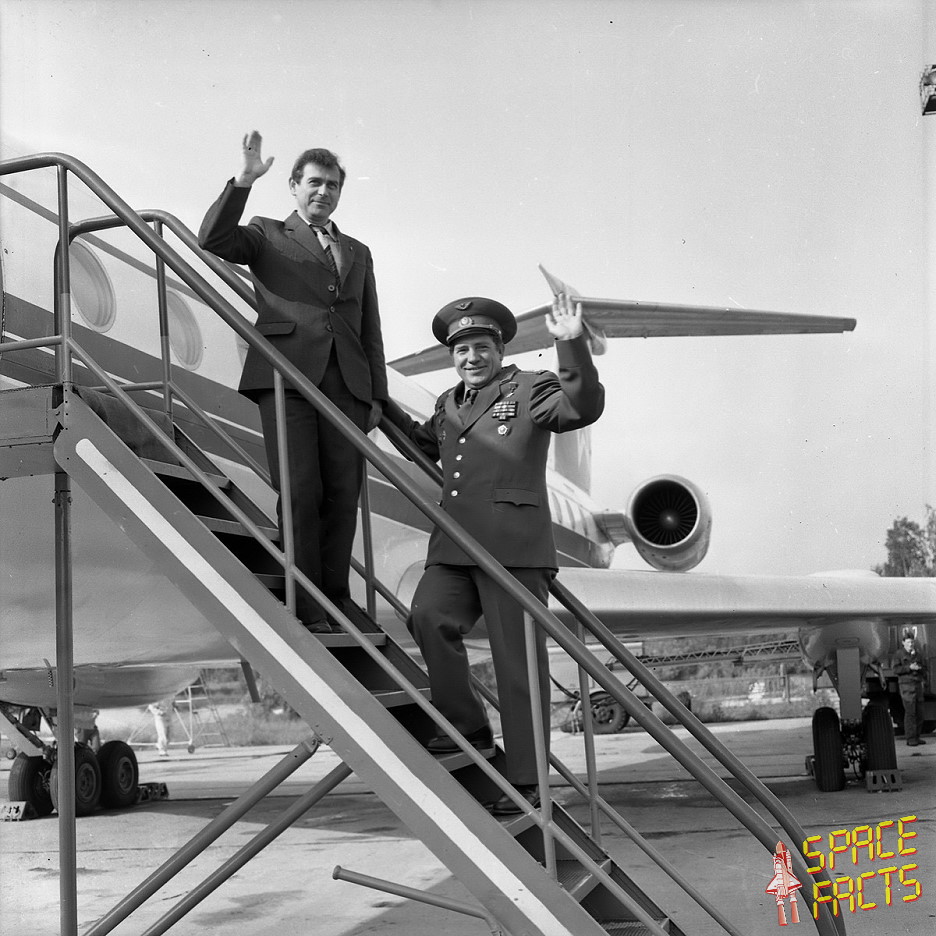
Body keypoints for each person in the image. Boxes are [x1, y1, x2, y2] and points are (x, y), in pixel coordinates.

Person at [385, 293, 604, 815]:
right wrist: (377, 400)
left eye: (481, 347)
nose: (472, 358)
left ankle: (529, 783)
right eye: (462, 350)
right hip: (455, 546)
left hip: (513, 549)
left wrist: (571, 343)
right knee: (428, 616)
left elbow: (580, 406)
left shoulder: (529, 388)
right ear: (452, 356)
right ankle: (467, 728)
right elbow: (421, 444)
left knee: (517, 668)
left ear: (500, 350)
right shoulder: (448, 403)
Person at [199, 131, 388, 632]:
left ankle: (336, 600)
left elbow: (369, 327)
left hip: (348, 386)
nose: (323, 191)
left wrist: (377, 397)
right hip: (287, 379)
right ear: (293, 186)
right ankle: (307, 605)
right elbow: (212, 240)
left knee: (343, 496)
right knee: (301, 491)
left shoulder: (358, 251)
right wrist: (243, 181)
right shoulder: (266, 233)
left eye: (332, 185)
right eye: (314, 182)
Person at [893, 632, 927, 746]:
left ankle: (917, 736)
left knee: (920, 713)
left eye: (912, 642)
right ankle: (911, 738)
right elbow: (896, 670)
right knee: (910, 713)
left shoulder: (918, 654)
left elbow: (925, 668)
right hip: (906, 686)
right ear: (903, 643)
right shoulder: (899, 654)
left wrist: (919, 668)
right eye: (908, 642)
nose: (910, 644)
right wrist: (909, 667)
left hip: (917, 685)